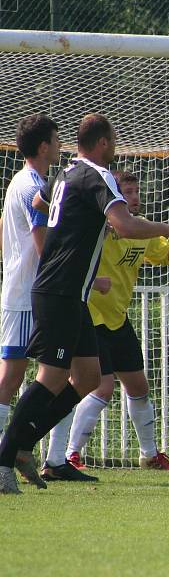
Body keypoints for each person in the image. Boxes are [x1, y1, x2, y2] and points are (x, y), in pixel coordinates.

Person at [0, 113, 169, 494]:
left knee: (87, 377)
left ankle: (23, 444)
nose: (116, 144)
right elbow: (127, 225)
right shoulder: (96, 176)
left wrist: (79, 225)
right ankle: (6, 456)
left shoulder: (66, 174)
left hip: (74, 294)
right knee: (50, 377)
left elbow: (41, 202)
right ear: (104, 143)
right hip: (58, 291)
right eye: (115, 138)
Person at [40, 170, 169, 480]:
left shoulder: (142, 230)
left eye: (137, 191)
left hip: (117, 319)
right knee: (102, 385)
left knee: (138, 386)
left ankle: (149, 456)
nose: (135, 197)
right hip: (89, 315)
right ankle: (67, 454)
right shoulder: (102, 225)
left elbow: (164, 252)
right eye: (128, 191)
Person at [0, 115, 62, 440]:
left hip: (24, 290)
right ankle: (9, 451)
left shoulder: (19, 182)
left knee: (60, 374)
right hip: (26, 295)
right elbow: (43, 244)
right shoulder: (32, 187)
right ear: (43, 146)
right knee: (11, 377)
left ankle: (33, 451)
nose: (60, 145)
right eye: (56, 139)